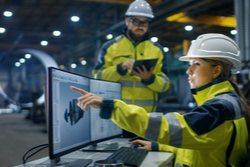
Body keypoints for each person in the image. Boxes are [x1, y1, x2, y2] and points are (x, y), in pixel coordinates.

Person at [71, 33, 250, 167]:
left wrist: (110, 106)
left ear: (216, 70)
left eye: (196, 63)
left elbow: (171, 127)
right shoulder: (225, 102)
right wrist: (158, 146)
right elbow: (197, 142)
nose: (189, 71)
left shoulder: (219, 108)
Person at [92, 0, 170, 114]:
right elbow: (97, 77)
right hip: (117, 114)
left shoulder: (157, 50)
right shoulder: (110, 47)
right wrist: (120, 68)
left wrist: (150, 78)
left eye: (145, 22)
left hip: (145, 117)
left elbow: (165, 85)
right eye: (136, 21)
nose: (140, 26)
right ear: (127, 20)